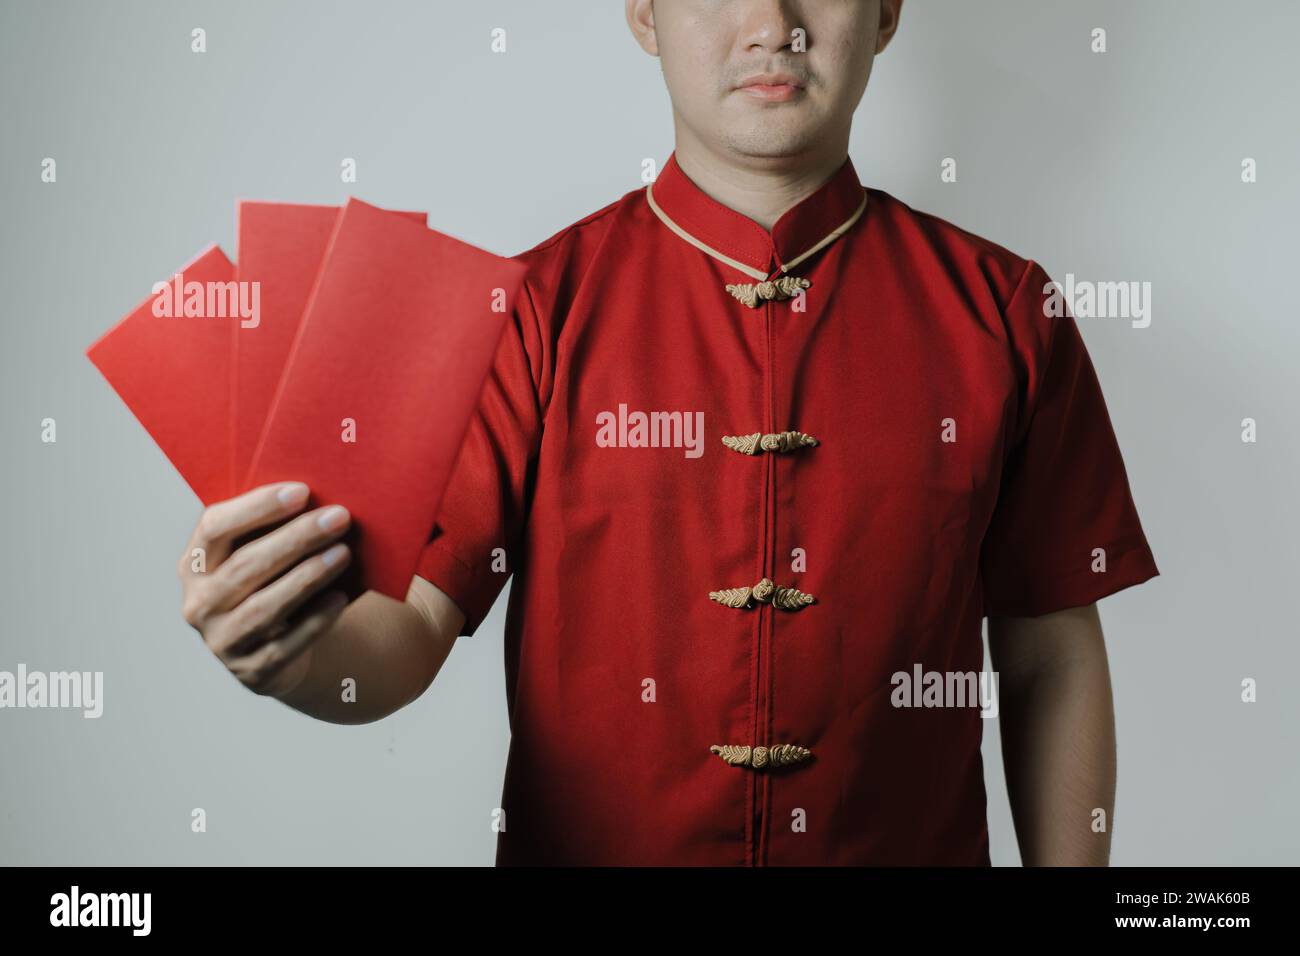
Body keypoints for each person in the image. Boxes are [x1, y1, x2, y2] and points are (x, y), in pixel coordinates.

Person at [176, 0, 1158, 866]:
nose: (773, 22)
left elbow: (1050, 656)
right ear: (644, 15)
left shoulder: (1006, 311)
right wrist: (292, 654)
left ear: (888, 12)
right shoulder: (528, 311)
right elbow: (409, 627)